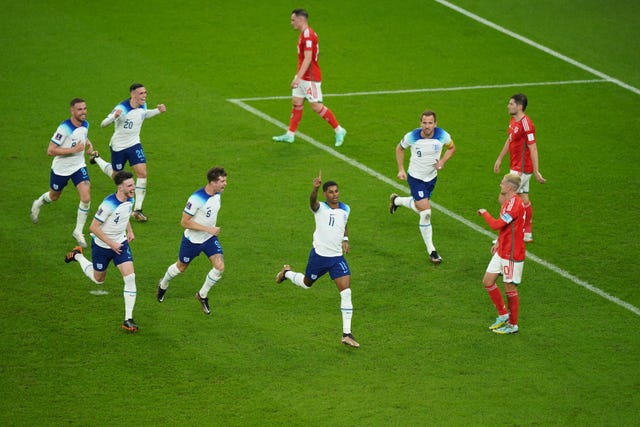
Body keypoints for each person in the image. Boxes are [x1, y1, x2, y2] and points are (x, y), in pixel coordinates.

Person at [275, 172, 359, 348]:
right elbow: (312, 202)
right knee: (306, 283)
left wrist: (345, 240)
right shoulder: (319, 207)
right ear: (324, 194)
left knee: (346, 292)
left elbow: (344, 224)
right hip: (319, 257)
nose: (334, 194)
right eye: (330, 192)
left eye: (336, 191)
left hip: (336, 258)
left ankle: (347, 333)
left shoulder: (346, 208)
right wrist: (314, 188)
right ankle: (287, 273)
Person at [64, 170, 139, 332]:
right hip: (102, 246)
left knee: (130, 277)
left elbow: (125, 216)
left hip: (120, 244)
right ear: (120, 188)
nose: (134, 187)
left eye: (133, 184)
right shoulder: (107, 205)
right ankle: (77, 256)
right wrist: (111, 243)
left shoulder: (130, 197)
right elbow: (93, 227)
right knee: (99, 279)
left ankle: (128, 319)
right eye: (130, 185)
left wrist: (130, 231)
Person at [90, 82, 166, 222]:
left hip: (134, 144)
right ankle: (97, 158)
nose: (144, 96)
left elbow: (143, 114)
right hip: (118, 147)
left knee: (142, 173)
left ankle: (137, 210)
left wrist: (157, 111)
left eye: (145, 93)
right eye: (141, 93)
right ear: (133, 94)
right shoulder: (122, 108)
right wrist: (114, 117)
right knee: (117, 176)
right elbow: (103, 124)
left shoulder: (142, 105)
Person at [156, 167, 228, 316]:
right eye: (222, 181)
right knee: (181, 267)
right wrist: (208, 229)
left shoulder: (218, 194)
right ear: (212, 182)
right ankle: (163, 284)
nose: (225, 184)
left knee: (219, 267)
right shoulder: (196, 199)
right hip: (192, 241)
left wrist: (209, 232)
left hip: (209, 239)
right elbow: (184, 222)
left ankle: (202, 295)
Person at [272, 9, 347, 147]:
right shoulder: (304, 34)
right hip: (302, 75)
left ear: (301, 20)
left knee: (316, 106)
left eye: (293, 20)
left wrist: (298, 78)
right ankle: (290, 134)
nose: (291, 23)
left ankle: (339, 130)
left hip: (310, 77)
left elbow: (308, 58)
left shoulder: (308, 35)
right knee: (296, 102)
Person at [389, 109, 456, 264]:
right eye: (424, 123)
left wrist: (442, 162)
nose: (427, 126)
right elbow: (399, 148)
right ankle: (432, 251)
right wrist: (401, 169)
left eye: (430, 123)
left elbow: (452, 148)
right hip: (415, 178)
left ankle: (396, 201)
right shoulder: (412, 136)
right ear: (420, 123)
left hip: (431, 178)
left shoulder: (442, 135)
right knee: (425, 212)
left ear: (435, 124)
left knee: (421, 207)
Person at [31, 98, 95, 248]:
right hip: (61, 169)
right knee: (54, 196)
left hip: (79, 166)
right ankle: (38, 203)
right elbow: (50, 150)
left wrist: (89, 145)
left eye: (85, 108)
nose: (83, 112)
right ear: (72, 111)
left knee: (86, 197)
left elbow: (83, 137)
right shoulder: (64, 128)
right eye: (80, 109)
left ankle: (78, 231)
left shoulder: (85, 124)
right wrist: (73, 150)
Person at [477, 173, 527, 335]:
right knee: (487, 281)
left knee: (510, 288)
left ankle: (513, 325)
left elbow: (496, 224)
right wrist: (499, 242)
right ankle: (503, 314)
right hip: (502, 249)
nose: (500, 185)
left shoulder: (515, 205)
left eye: (502, 184)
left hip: (512, 253)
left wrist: (484, 213)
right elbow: (505, 227)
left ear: (510, 188)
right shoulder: (507, 201)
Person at [493, 93, 546, 243]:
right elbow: (509, 140)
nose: (508, 106)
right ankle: (527, 233)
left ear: (519, 106)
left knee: (504, 197)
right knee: (523, 199)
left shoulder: (527, 124)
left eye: (511, 104)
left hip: (522, 169)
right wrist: (500, 158)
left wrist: (536, 170)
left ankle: (502, 237)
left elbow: (533, 148)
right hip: (515, 166)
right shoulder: (513, 121)